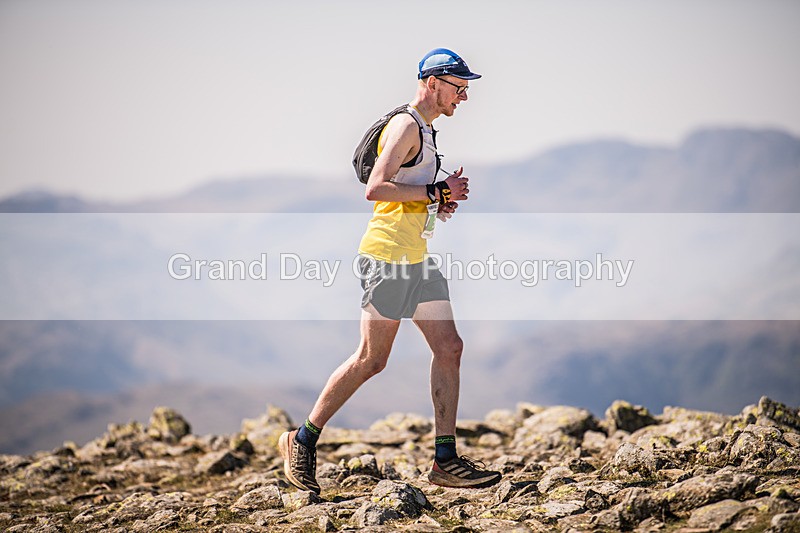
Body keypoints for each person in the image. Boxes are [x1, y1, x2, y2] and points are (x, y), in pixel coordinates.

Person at [279, 48, 501, 493]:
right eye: (460, 87)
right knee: (371, 360)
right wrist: (437, 188)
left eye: (467, 89)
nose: (465, 96)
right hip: (387, 258)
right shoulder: (406, 125)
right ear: (433, 82)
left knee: (450, 346)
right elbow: (376, 188)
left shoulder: (427, 131)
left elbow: (407, 192)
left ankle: (444, 460)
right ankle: (301, 439)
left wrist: (439, 202)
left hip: (415, 256)